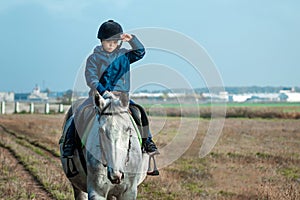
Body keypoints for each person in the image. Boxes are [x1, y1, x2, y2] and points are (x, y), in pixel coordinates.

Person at [62, 20, 158, 158]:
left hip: (121, 98)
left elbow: (140, 52)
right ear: (101, 41)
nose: (111, 44)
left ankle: (147, 141)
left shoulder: (125, 55)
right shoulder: (93, 58)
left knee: (139, 112)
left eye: (114, 41)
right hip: (99, 97)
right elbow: (91, 78)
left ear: (119, 42)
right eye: (108, 41)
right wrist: (103, 91)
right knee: (78, 113)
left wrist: (132, 40)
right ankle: (69, 144)